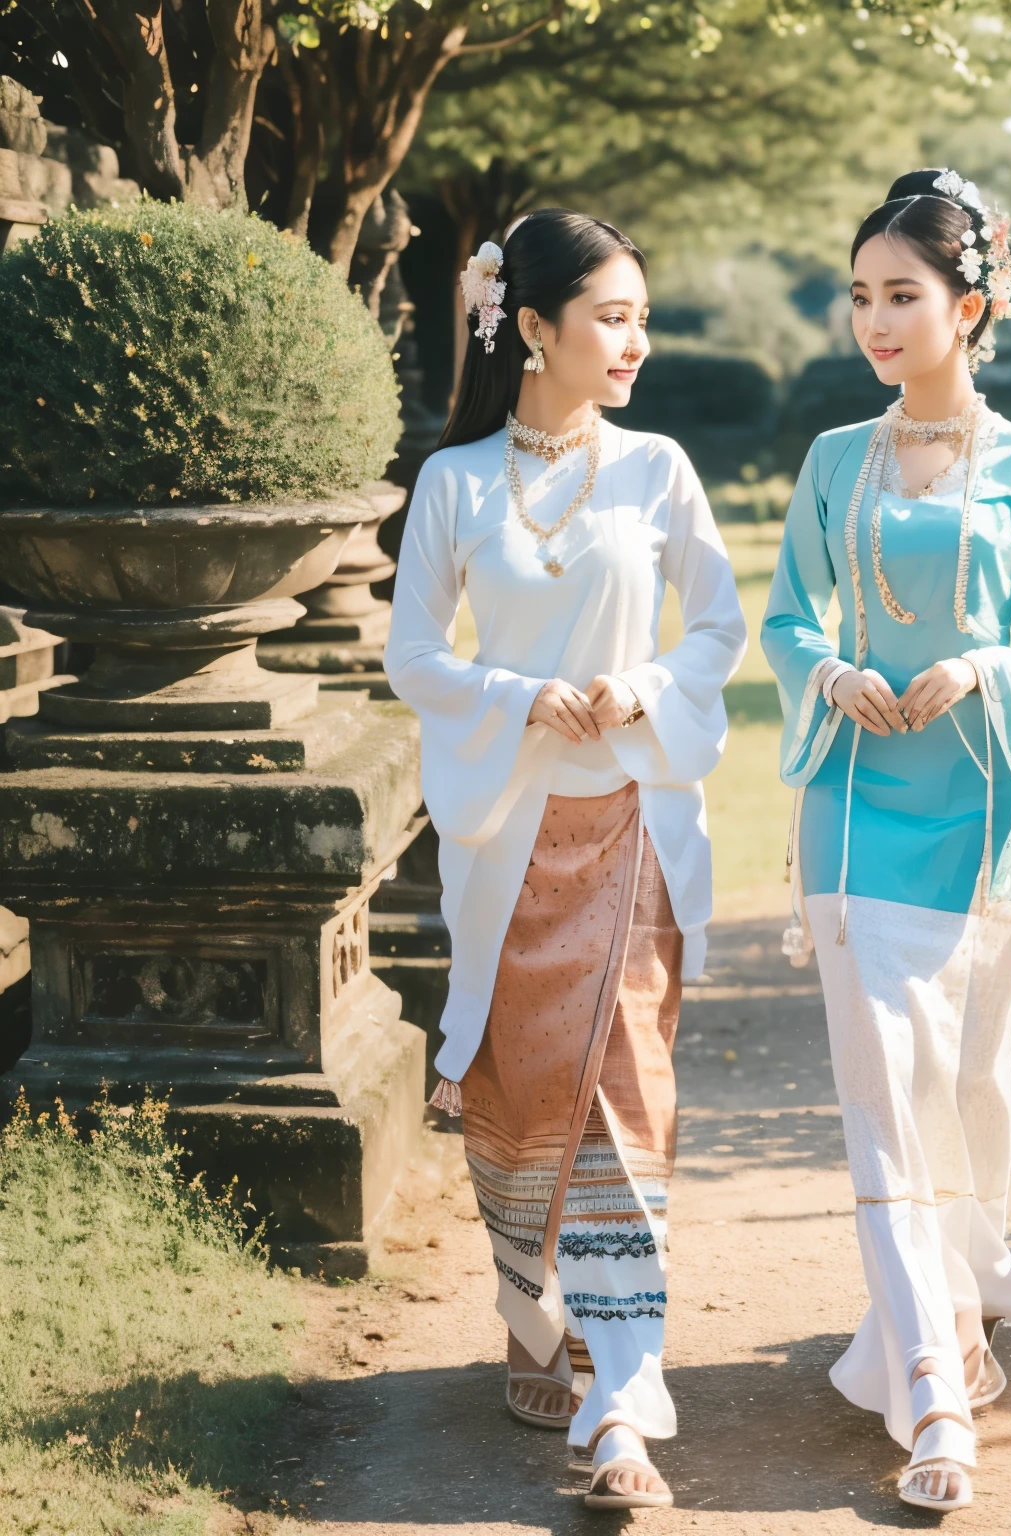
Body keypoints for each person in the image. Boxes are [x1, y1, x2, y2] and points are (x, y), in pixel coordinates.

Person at [383, 208, 747, 1511]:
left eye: (640, 316)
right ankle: (538, 1318)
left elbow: (720, 626)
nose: (635, 340)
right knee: (525, 1093)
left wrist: (640, 685)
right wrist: (519, 695)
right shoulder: (457, 482)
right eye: (613, 316)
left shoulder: (656, 470)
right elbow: (410, 655)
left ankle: (621, 1399)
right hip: (507, 841)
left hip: (631, 828)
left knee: (627, 1103)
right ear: (532, 328)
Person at [761, 168, 1011, 1513]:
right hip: (854, 809)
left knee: (968, 1088)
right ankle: (937, 1396)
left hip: (986, 819)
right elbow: (790, 616)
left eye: (903, 293)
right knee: (883, 1103)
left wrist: (982, 668)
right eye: (862, 295)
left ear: (972, 306)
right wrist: (834, 675)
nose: (877, 320)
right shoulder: (832, 460)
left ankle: (958, 1297)